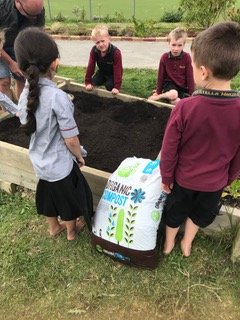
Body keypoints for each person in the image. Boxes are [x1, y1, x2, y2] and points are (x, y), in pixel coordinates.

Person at [160, 21, 240, 257]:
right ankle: (187, 242)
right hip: (215, 183)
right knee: (199, 214)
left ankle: (170, 242)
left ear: (203, 71)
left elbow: (169, 148)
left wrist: (166, 176)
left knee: (175, 213)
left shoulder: (184, 107)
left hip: (183, 181)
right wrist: (230, 176)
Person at [14, 27, 94, 241]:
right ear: (54, 63)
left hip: (40, 162)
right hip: (60, 164)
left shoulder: (24, 95)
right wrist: (79, 155)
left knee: (48, 196)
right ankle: (70, 230)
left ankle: (53, 227)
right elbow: (71, 139)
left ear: (21, 67)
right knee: (67, 200)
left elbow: (24, 120)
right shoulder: (58, 97)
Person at [0, 0, 45, 100]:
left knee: (23, 78)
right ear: (17, 2)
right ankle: (10, 113)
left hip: (18, 43)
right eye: (30, 15)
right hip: (1, 44)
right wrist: (11, 63)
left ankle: (23, 110)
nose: (34, 18)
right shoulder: (2, 10)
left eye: (36, 15)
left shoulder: (37, 9)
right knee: (4, 81)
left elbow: (39, 37)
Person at [148, 27, 194, 105]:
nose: (176, 48)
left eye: (179, 45)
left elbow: (190, 77)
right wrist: (158, 91)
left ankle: (167, 97)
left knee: (177, 101)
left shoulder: (187, 57)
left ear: (184, 45)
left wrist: (192, 93)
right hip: (169, 85)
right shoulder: (164, 57)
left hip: (182, 87)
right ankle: (159, 96)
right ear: (168, 43)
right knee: (173, 94)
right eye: (173, 45)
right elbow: (161, 76)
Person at [85, 24, 123, 95]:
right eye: (97, 42)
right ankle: (103, 80)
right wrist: (88, 82)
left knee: (110, 86)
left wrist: (117, 87)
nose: (101, 44)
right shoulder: (94, 51)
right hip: (102, 72)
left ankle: (110, 82)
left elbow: (118, 70)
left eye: (103, 41)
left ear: (109, 39)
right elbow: (91, 66)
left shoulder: (116, 53)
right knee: (94, 82)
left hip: (112, 74)